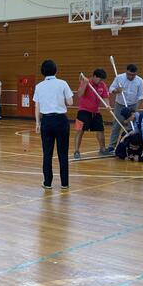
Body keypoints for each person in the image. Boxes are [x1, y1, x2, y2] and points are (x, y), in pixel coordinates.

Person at [34, 60, 74, 190]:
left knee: (47, 153)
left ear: (42, 71)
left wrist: (37, 122)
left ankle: (47, 183)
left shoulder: (39, 86)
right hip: (61, 120)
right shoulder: (63, 83)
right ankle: (64, 183)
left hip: (46, 121)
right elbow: (70, 102)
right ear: (56, 70)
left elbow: (37, 107)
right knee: (63, 153)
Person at [106, 64, 143, 153]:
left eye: (133, 75)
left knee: (131, 126)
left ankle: (129, 145)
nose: (131, 76)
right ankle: (111, 146)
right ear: (126, 72)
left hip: (132, 105)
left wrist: (136, 110)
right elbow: (111, 89)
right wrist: (116, 91)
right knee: (116, 125)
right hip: (120, 104)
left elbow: (141, 96)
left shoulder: (139, 81)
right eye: (129, 74)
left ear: (136, 73)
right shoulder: (119, 78)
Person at [73, 68, 110, 160]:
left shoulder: (102, 85)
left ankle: (102, 149)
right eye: (99, 79)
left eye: (102, 80)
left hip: (96, 112)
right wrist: (85, 84)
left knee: (100, 130)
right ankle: (76, 151)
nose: (101, 81)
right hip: (83, 111)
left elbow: (105, 97)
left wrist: (107, 105)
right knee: (80, 130)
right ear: (94, 76)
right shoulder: (86, 82)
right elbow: (79, 94)